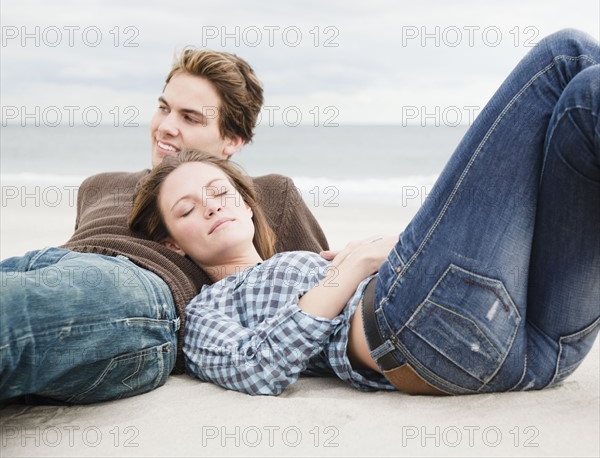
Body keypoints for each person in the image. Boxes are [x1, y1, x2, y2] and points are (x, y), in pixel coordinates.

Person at [129, 28, 599, 396]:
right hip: (427, 335)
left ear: (248, 205)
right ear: (171, 241)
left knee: (587, 94)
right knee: (565, 56)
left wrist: (380, 253)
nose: (211, 205)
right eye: (188, 208)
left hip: (541, 354)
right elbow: (257, 369)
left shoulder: (298, 254)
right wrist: (353, 267)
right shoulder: (208, 309)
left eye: (218, 191)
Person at [0, 49, 328, 404]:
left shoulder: (264, 195)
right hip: (51, 263)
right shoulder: (99, 183)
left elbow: (319, 294)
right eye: (164, 108)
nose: (166, 126)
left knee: (13, 313)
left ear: (232, 140)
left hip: (142, 290)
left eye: (190, 118)